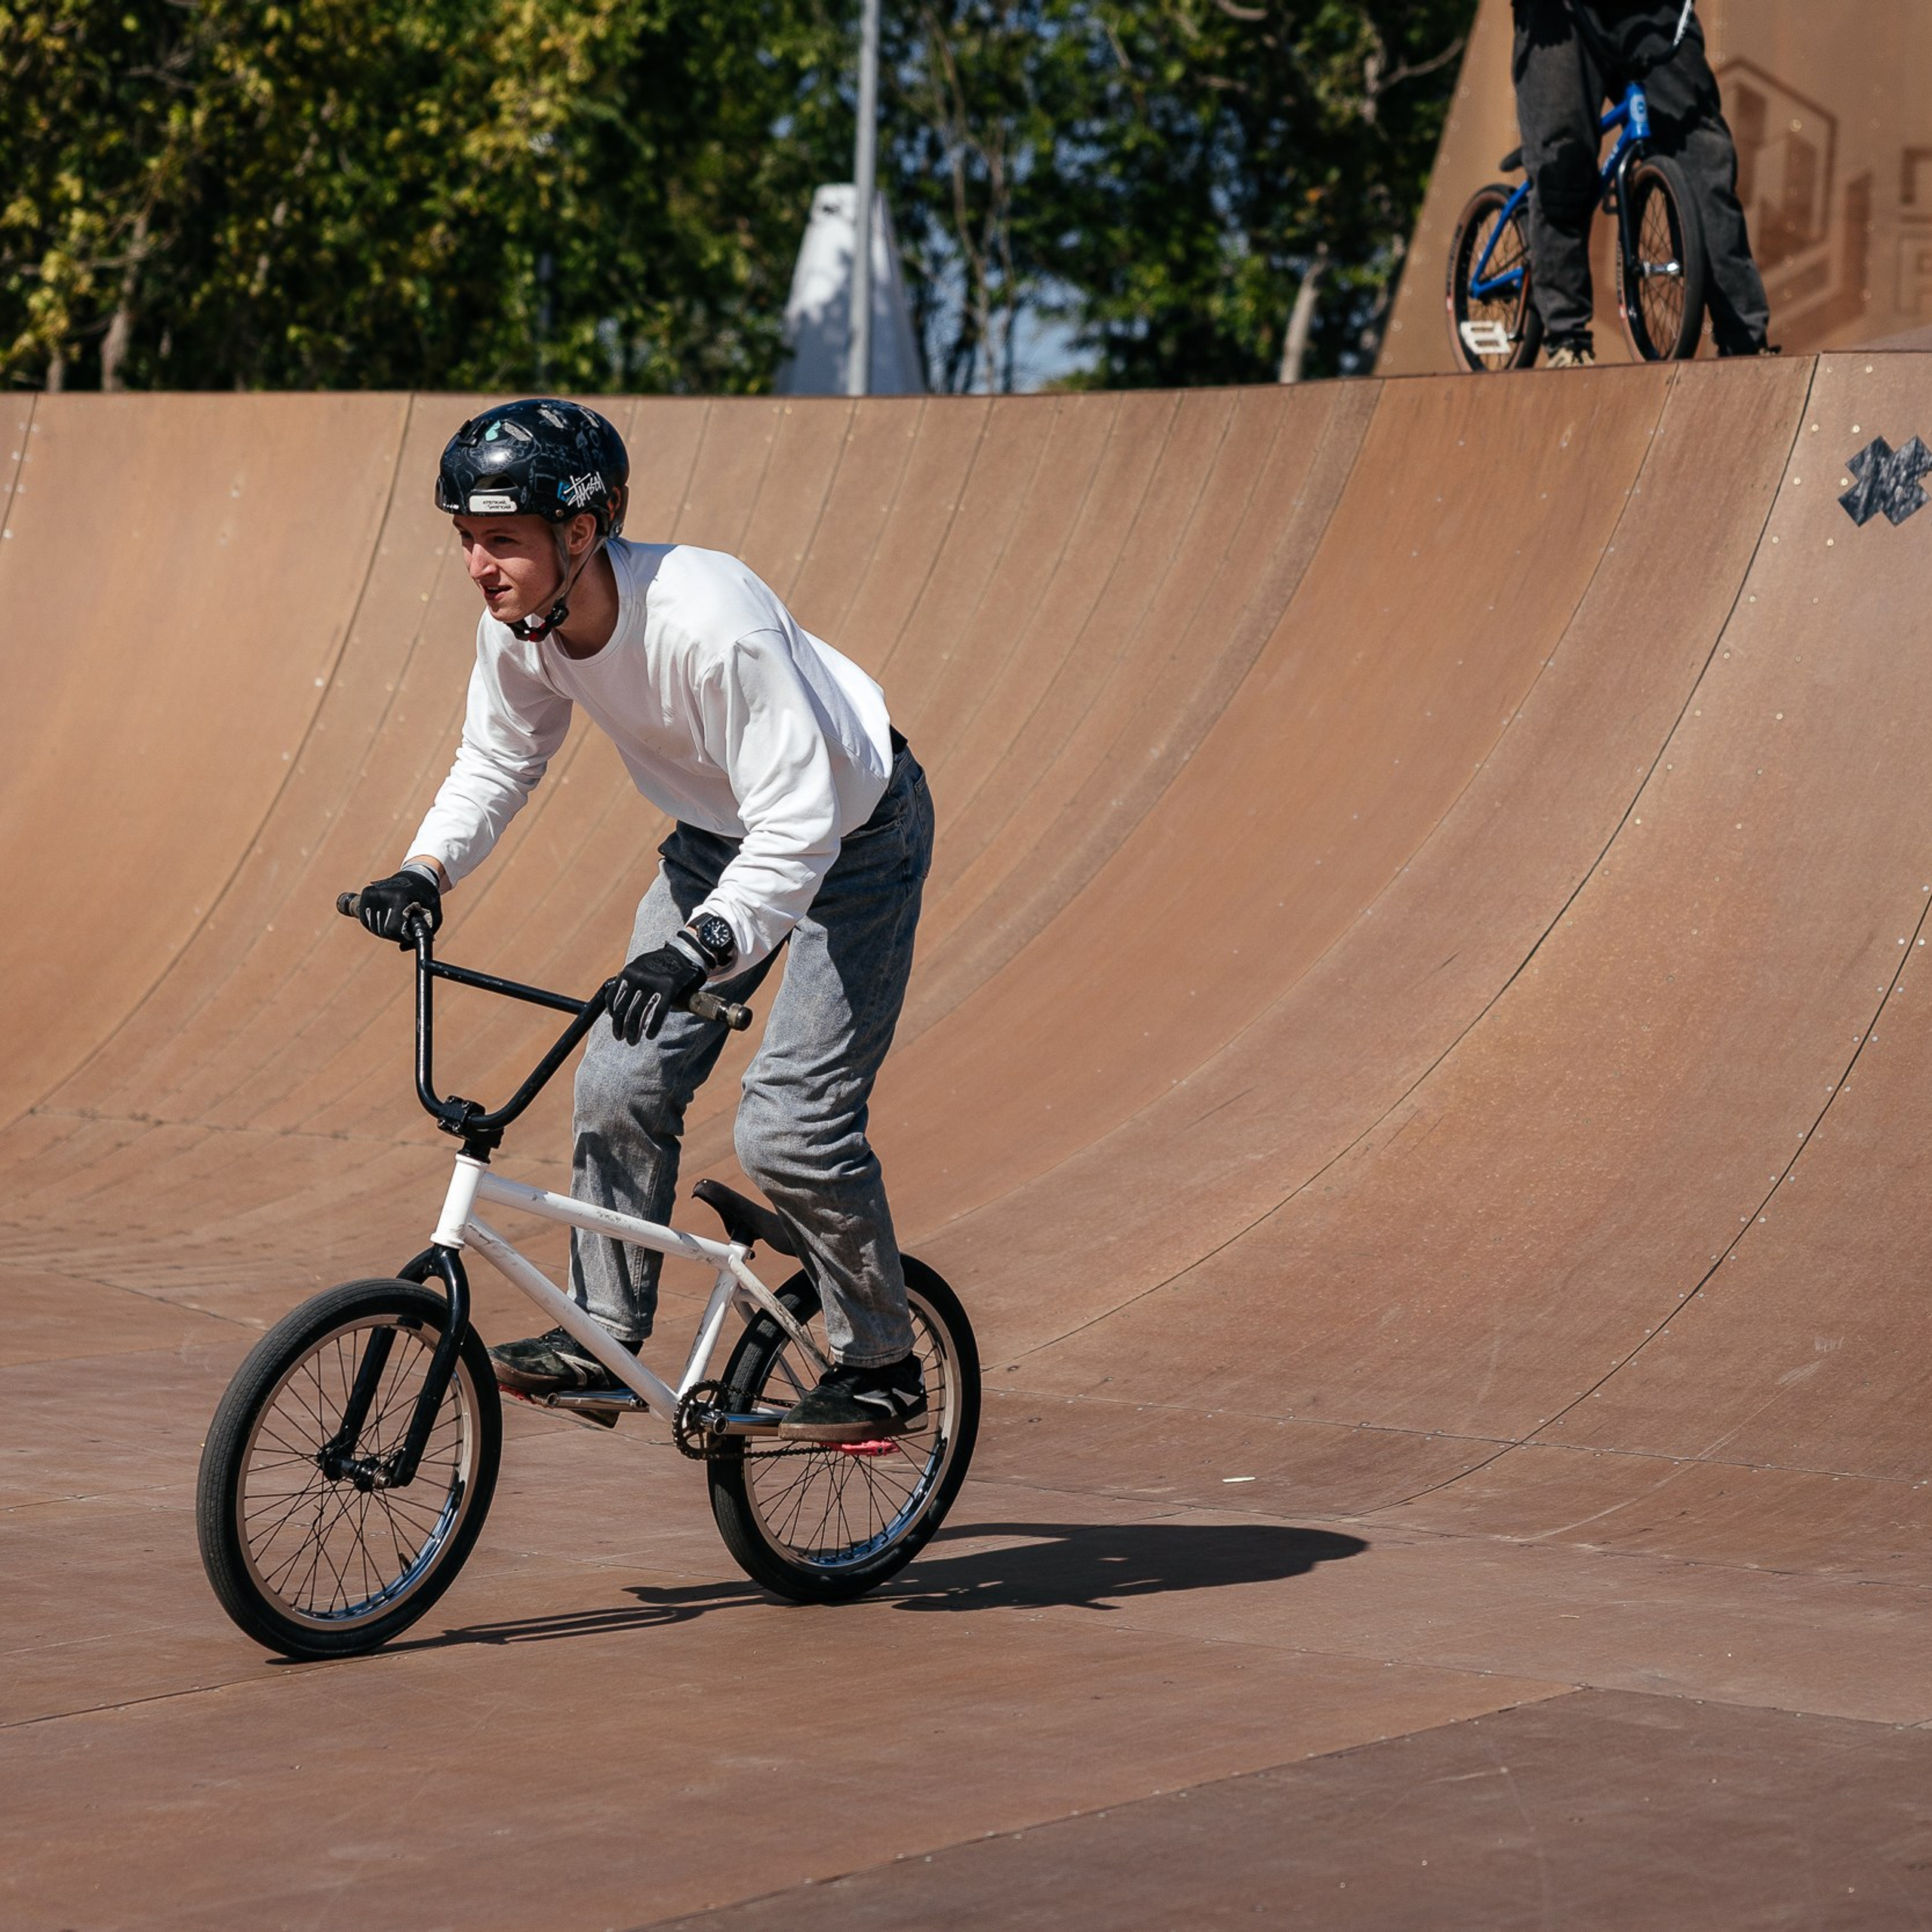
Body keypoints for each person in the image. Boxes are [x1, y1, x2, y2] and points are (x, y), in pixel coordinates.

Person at [354, 398, 934, 1441]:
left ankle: (882, 1361)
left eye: (503, 542)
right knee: (619, 1079)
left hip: (848, 842)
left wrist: (702, 946)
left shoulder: (712, 623)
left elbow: (799, 825)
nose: (480, 567)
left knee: (790, 1129)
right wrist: (424, 869)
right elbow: (499, 759)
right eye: (467, 541)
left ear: (580, 533)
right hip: (715, 845)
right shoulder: (524, 631)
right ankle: (601, 1335)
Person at [1512, 0, 1770, 366]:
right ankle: (1566, 337)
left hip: (1653, 12)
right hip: (1560, 16)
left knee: (1703, 164)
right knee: (1563, 170)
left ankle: (1743, 338)